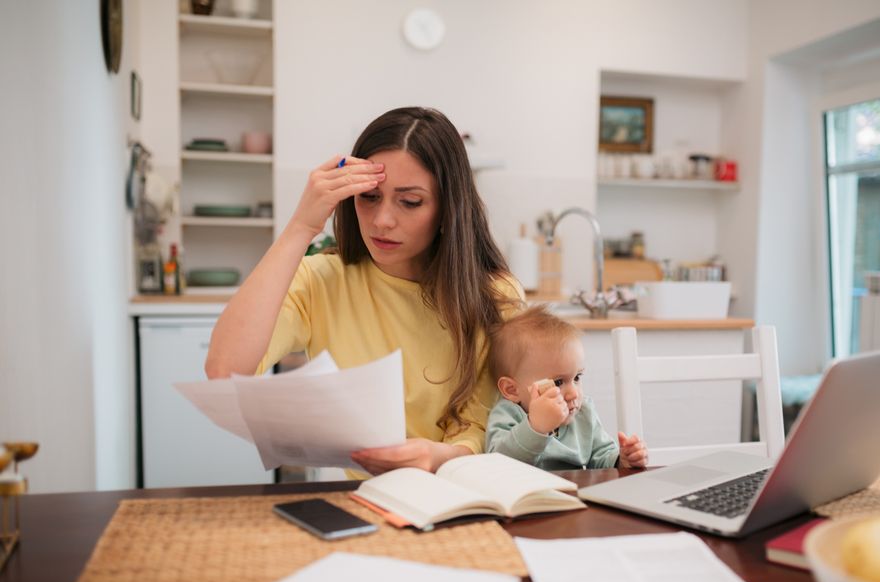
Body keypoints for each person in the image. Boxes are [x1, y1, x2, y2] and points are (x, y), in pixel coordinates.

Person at [205, 107, 523, 475]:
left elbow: (500, 426)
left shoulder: (495, 294)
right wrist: (300, 227)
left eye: (410, 202)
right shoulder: (322, 280)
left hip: (470, 496)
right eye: (369, 197)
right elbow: (225, 370)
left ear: (448, 211)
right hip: (366, 500)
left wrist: (441, 458)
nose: (382, 220)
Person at [485, 306, 648, 471]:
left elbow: (602, 455)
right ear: (512, 390)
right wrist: (535, 427)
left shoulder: (583, 412)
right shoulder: (506, 415)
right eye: (558, 382)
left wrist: (622, 459)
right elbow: (497, 464)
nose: (573, 394)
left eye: (577, 378)